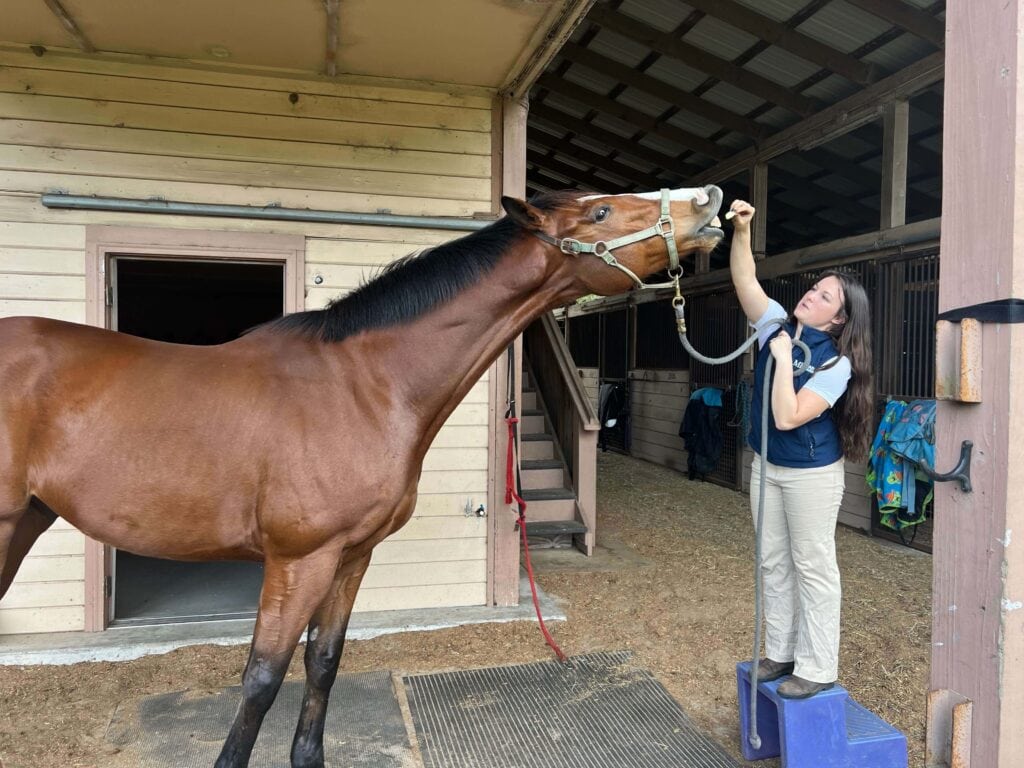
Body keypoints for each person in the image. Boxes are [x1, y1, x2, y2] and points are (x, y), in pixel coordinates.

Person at [728, 199, 874, 699]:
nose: (811, 294)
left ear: (839, 319)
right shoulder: (776, 326)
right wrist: (744, 232)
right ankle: (781, 652)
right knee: (772, 560)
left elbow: (789, 415)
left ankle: (817, 666)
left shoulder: (837, 366)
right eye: (814, 287)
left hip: (811, 473)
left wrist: (786, 360)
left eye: (825, 295)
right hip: (766, 465)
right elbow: (746, 283)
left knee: (812, 564)